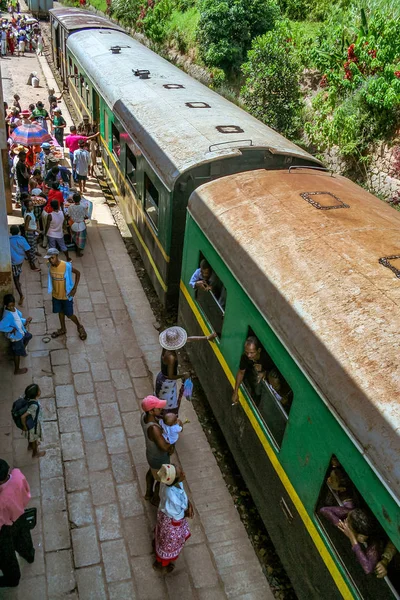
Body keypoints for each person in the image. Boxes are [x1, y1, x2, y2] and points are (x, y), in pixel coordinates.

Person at [156, 326, 217, 413]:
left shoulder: (166, 348)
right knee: (168, 406)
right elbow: (171, 376)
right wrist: (184, 375)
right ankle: (166, 422)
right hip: (167, 383)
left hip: (162, 377)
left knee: (162, 402)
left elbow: (189, 339)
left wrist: (207, 337)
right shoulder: (171, 357)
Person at [0, 460, 35, 588]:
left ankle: (12, 579)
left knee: (6, 555)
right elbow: (26, 493)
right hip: (20, 516)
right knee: (24, 538)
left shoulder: (1, 500)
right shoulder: (17, 475)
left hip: (7, 526)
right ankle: (29, 555)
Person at [153, 464, 193, 574]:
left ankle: (157, 547)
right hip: (172, 523)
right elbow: (177, 512)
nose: (183, 473)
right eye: (181, 473)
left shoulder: (170, 484)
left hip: (165, 517)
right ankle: (162, 564)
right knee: (168, 543)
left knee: (161, 535)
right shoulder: (172, 496)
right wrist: (186, 510)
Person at [45, 247, 87, 340]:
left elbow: (78, 273)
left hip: (66, 296)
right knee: (60, 312)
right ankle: (63, 329)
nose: (50, 260)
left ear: (57, 256)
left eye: (52, 258)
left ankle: (79, 326)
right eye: (49, 258)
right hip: (55, 295)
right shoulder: (49, 265)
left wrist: (74, 288)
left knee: (69, 314)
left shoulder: (66, 266)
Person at [141, 395, 173, 506]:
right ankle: (155, 498)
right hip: (159, 458)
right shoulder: (154, 428)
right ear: (151, 411)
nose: (161, 410)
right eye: (158, 409)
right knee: (161, 479)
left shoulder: (143, 417)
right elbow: (164, 447)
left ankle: (148, 493)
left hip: (150, 454)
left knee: (151, 472)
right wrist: (171, 444)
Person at [336, 509, 384, 575]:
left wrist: (352, 538)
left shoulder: (374, 545)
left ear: (361, 538)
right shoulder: (353, 517)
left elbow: (368, 568)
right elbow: (324, 510)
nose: (345, 525)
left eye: (348, 528)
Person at [232, 336, 273, 405]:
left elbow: (275, 372)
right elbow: (241, 372)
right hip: (252, 379)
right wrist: (235, 392)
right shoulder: (245, 357)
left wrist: (264, 372)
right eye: (247, 352)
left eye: (252, 352)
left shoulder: (266, 358)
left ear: (259, 350)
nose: (249, 355)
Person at [0, 294, 32, 375]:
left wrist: (25, 321)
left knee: (28, 336)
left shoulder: (14, 310)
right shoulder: (7, 316)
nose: (11, 308)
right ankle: (17, 370)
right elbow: (1, 327)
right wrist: (11, 329)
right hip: (16, 337)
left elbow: (18, 319)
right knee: (16, 353)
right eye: (9, 306)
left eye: (13, 305)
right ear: (6, 305)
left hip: (21, 332)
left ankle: (22, 350)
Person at [9, 224, 39, 304]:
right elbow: (27, 250)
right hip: (21, 260)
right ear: (18, 232)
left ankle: (21, 294)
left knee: (15, 276)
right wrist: (31, 261)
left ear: (10, 232)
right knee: (17, 271)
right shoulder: (22, 239)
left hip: (13, 261)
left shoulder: (8, 240)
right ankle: (18, 282)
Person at [19, 384, 45, 458]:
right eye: (39, 390)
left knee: (31, 438)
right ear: (37, 394)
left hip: (29, 422)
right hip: (32, 426)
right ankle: (35, 452)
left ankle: (30, 446)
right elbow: (23, 417)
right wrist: (24, 426)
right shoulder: (34, 405)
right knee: (34, 438)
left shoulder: (25, 397)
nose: (40, 391)